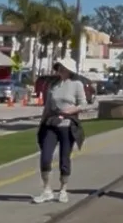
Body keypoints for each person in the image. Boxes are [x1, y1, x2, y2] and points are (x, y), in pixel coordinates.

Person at [34, 62, 87, 204]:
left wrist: (67, 112)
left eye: (64, 68)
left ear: (70, 71)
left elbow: (83, 104)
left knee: (64, 159)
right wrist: (42, 123)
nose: (61, 71)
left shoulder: (77, 84)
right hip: (51, 123)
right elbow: (47, 106)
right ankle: (46, 190)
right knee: (45, 157)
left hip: (67, 124)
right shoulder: (54, 85)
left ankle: (63, 189)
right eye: (59, 68)